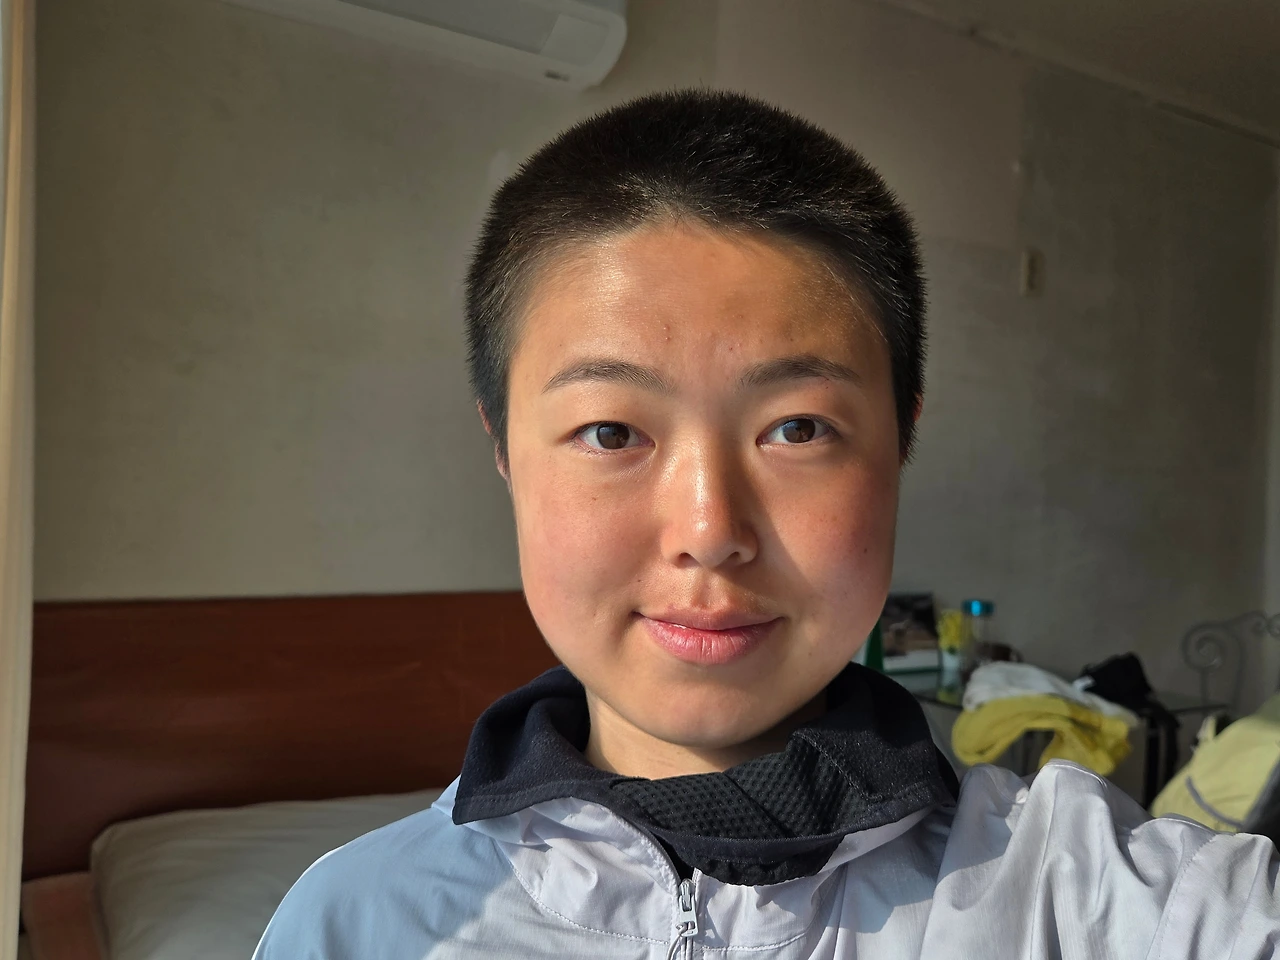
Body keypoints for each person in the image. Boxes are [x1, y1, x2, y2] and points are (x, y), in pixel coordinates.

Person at [253, 89, 1278, 959]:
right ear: (504, 450)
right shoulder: (358, 924)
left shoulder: (1088, 899)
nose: (709, 529)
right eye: (611, 431)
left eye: (796, 428)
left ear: (899, 439)